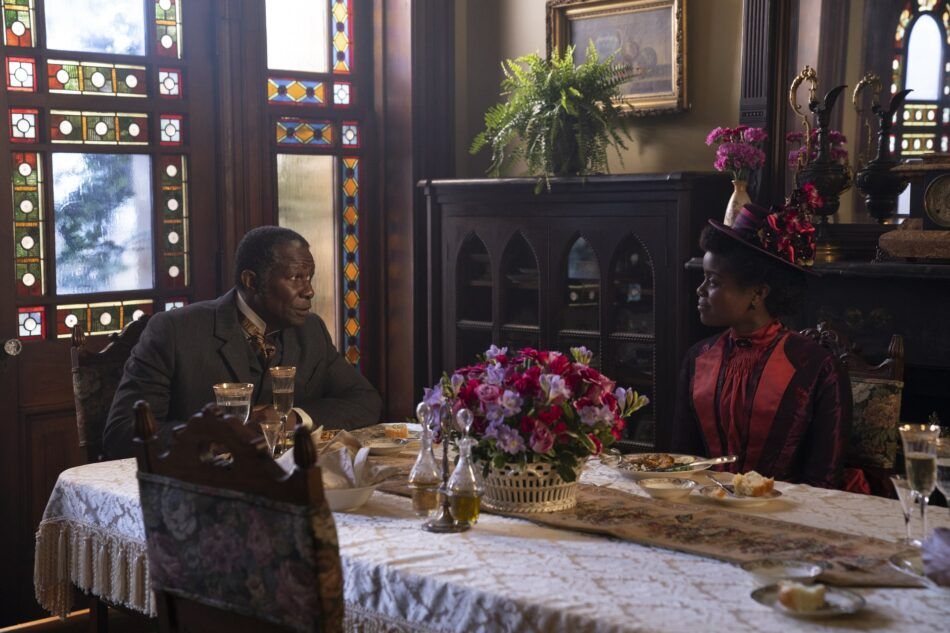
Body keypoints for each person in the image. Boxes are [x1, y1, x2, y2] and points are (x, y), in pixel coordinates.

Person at [103, 226, 382, 459]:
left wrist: (293, 418)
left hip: (290, 485)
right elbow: (122, 433)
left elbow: (365, 400)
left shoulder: (311, 330)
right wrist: (227, 433)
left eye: (309, 278)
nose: (309, 291)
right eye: (296, 278)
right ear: (251, 280)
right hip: (200, 494)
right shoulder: (174, 331)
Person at [671, 186, 852, 488]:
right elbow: (680, 462)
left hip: (789, 515)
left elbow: (824, 478)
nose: (700, 290)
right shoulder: (697, 359)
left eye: (712, 281)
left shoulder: (816, 367)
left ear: (758, 293)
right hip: (707, 509)